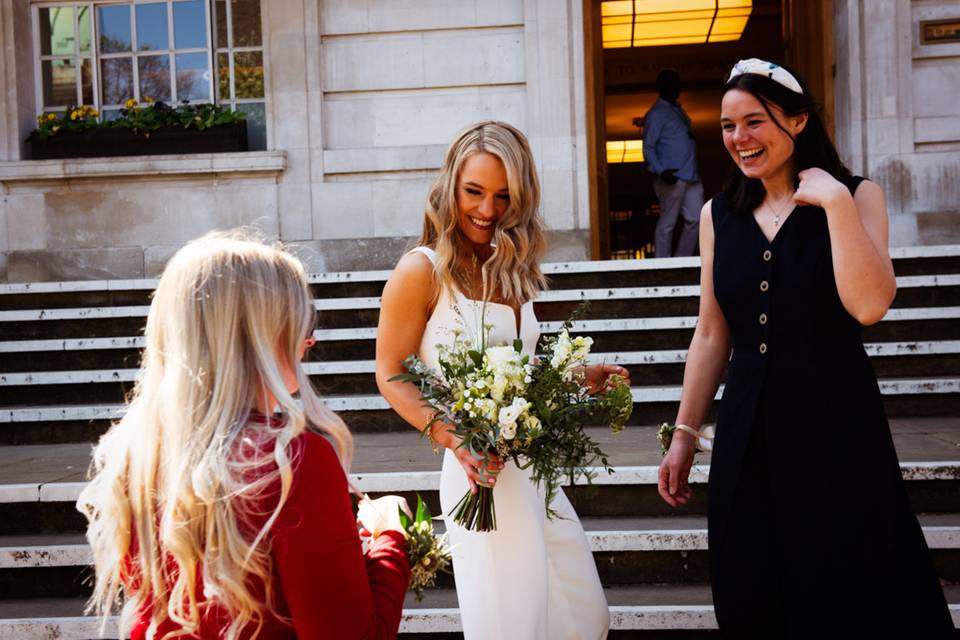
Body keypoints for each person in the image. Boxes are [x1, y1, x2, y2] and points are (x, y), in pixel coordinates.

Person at [657, 59, 952, 635]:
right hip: (749, 430)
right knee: (754, 585)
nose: (739, 139)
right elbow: (713, 333)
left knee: (848, 583)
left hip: (837, 423)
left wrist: (837, 206)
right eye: (726, 126)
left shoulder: (857, 196)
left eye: (753, 121)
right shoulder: (719, 215)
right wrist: (683, 436)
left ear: (796, 121)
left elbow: (869, 304)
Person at [77, 230, 411, 639]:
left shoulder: (137, 460)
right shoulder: (292, 461)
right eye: (299, 322)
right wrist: (390, 539)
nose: (309, 341)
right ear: (258, 337)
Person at [375, 121, 627, 639]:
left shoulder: (509, 269)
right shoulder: (420, 270)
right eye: (474, 192)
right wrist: (456, 440)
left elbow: (520, 369)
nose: (487, 210)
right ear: (450, 186)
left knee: (581, 615)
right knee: (512, 627)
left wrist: (579, 377)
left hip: (534, 472)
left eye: (503, 197)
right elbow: (392, 373)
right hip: (480, 476)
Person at [642, 68, 704, 258]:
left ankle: (681, 260)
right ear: (662, 87)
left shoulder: (678, 109)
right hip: (672, 175)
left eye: (678, 82)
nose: (677, 87)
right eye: (672, 83)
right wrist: (661, 171)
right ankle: (662, 263)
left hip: (691, 174)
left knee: (696, 219)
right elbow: (648, 147)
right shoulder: (656, 114)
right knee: (668, 221)